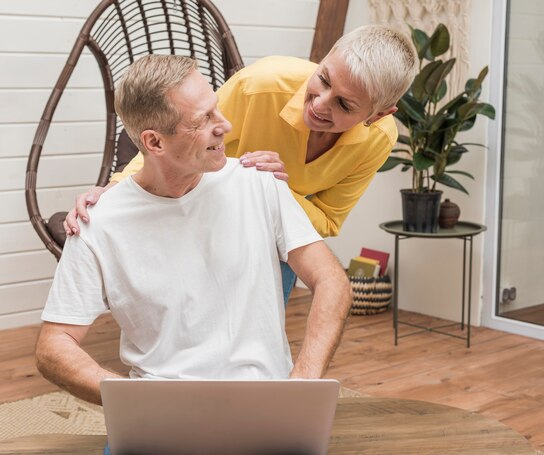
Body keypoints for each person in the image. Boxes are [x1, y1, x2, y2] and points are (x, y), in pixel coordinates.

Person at [35, 54, 352, 407]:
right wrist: (134, 401)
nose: (225, 126)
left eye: (216, 108)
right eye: (204, 120)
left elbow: (331, 280)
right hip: (163, 413)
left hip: (266, 406)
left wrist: (302, 384)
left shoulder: (259, 183)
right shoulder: (98, 223)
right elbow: (54, 345)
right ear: (154, 143)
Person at [64, 25, 418, 303]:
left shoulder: (379, 139)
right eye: (323, 79)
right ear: (324, 59)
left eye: (344, 105)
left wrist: (275, 189)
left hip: (270, 233)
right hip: (201, 205)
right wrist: (110, 192)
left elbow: (326, 221)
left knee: (264, 307)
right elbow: (168, 143)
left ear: (378, 114)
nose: (320, 104)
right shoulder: (259, 85)